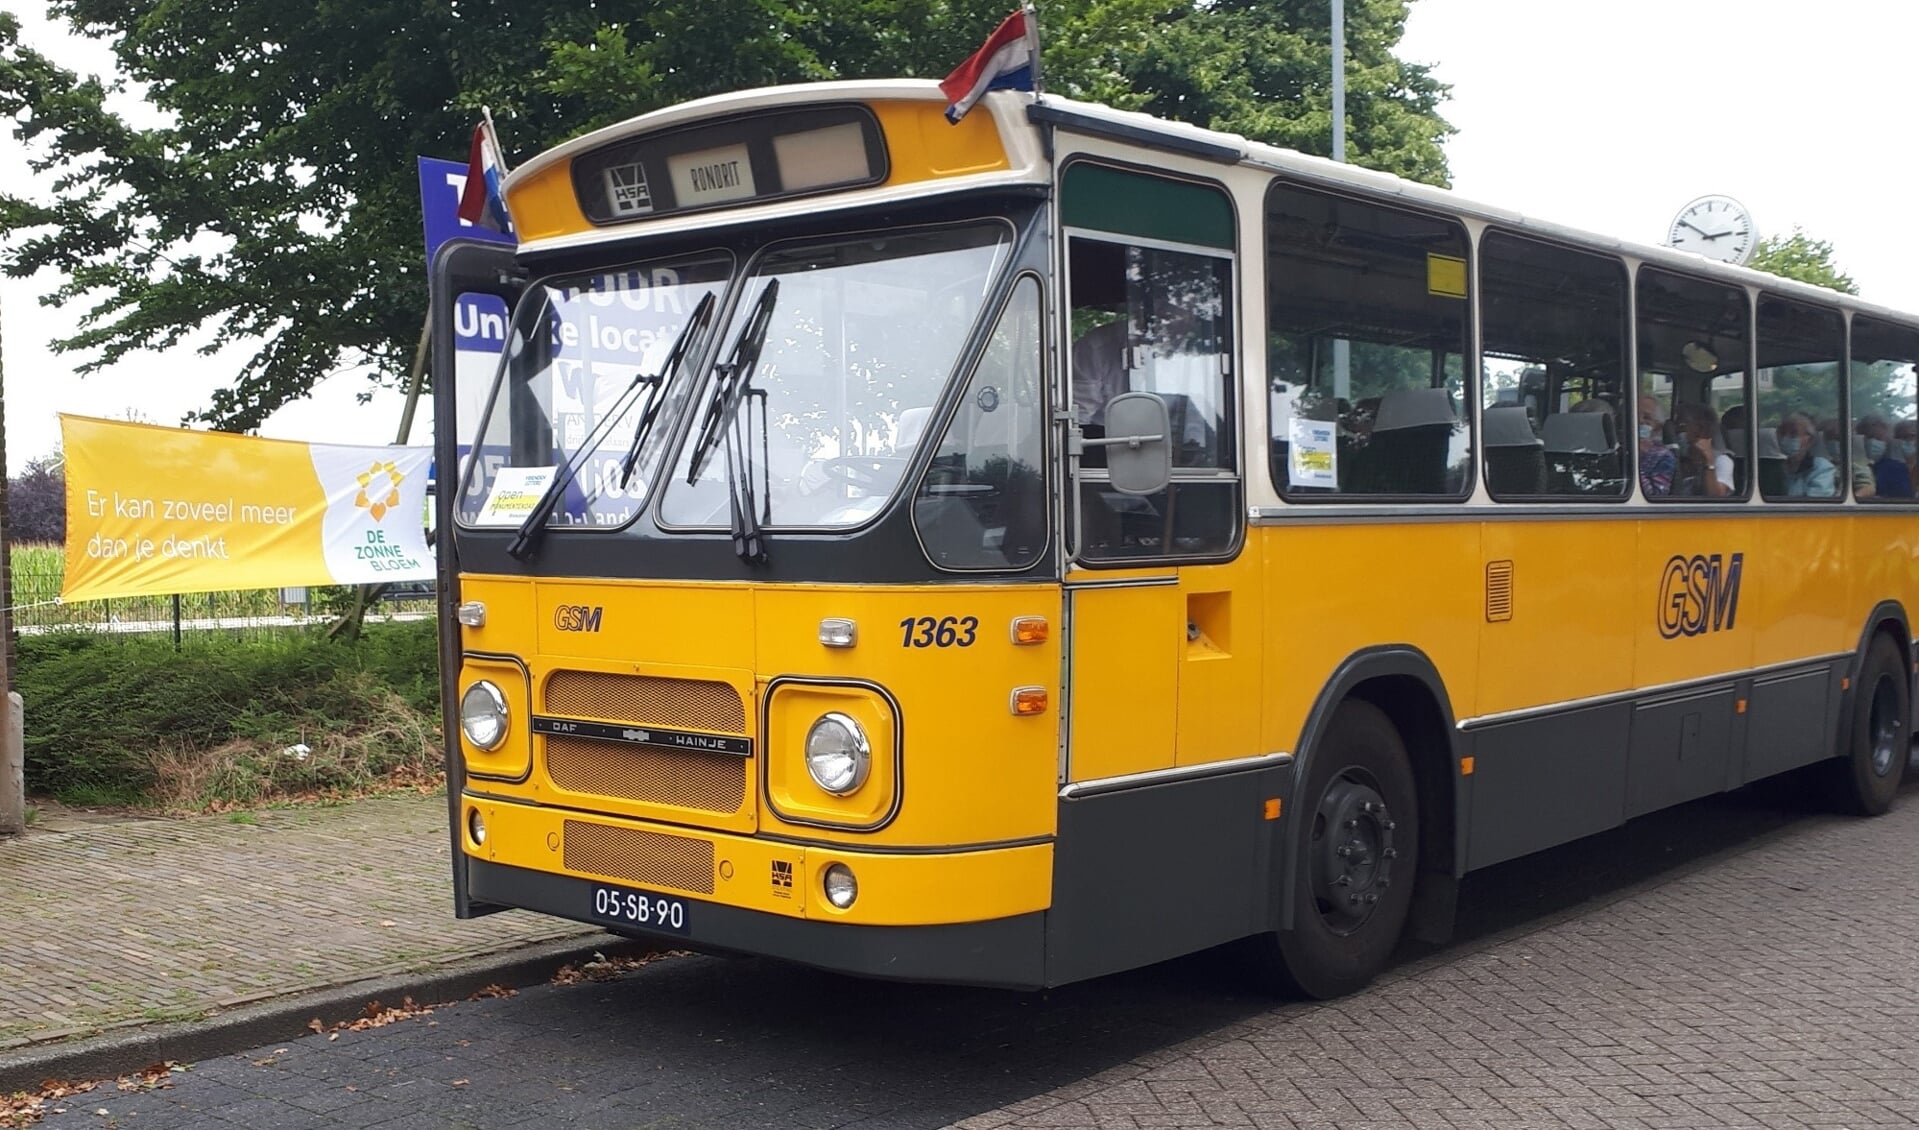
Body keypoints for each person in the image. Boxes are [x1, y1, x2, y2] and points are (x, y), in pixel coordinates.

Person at [1670, 400, 1731, 497]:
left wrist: (1709, 463)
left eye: (1682, 426)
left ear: (1701, 428)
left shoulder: (1722, 461)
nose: (1676, 431)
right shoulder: (1674, 457)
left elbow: (1716, 497)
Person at [1776, 412, 1837, 497]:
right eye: (1782, 433)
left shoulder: (1821, 468)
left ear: (1809, 440)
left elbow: (1815, 504)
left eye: (1794, 434)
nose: (1785, 438)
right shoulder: (1774, 468)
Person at [1637, 395, 1675, 496]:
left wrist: (1636, 461)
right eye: (1635, 415)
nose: (1640, 421)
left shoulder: (1663, 456)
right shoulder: (1616, 447)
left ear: (1657, 427)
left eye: (1647, 418)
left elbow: (1656, 495)